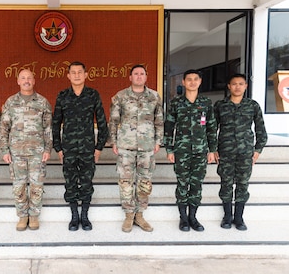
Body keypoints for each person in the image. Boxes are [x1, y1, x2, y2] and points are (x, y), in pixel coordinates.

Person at [52, 61, 109, 231]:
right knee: (70, 182)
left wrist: (99, 147)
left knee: (86, 182)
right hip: (68, 148)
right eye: (73, 72)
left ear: (85, 75)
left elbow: (102, 122)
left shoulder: (92, 95)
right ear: (68, 76)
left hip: (87, 148)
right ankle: (74, 216)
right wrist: (58, 148)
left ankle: (84, 215)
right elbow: (55, 124)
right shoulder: (63, 96)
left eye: (80, 72)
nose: (76, 75)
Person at [108, 64, 164, 233]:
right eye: (136, 74)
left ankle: (140, 215)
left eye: (142, 74)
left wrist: (158, 141)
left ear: (146, 77)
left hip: (147, 146)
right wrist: (114, 142)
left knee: (144, 182)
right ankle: (129, 215)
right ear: (130, 77)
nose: (139, 76)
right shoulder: (121, 96)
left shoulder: (154, 96)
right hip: (126, 146)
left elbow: (159, 121)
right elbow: (113, 121)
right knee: (126, 182)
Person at [163, 69, 217, 232]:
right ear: (183, 82)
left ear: (200, 82)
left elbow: (211, 127)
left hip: (201, 151)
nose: (192, 82)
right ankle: (183, 218)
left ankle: (193, 217)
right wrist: (169, 149)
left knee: (196, 184)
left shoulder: (206, 103)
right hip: (182, 150)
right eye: (189, 79)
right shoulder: (176, 103)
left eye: (195, 79)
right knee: (182, 184)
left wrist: (212, 150)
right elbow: (169, 127)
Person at [0, 69, 52, 231]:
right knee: (19, 185)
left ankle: (34, 215)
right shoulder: (10, 102)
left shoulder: (42, 102)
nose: (26, 80)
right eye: (23, 78)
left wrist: (48, 149)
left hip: (37, 151)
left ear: (34, 81)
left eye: (29, 78)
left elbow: (48, 128)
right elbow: (4, 128)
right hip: (16, 152)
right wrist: (5, 150)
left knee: (37, 184)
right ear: (18, 81)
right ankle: (23, 216)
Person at [214, 73, 267, 231]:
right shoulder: (220, 105)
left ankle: (239, 217)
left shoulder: (253, 105)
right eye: (234, 84)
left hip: (245, 152)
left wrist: (257, 150)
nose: (237, 87)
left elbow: (261, 130)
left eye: (241, 84)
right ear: (229, 86)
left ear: (246, 86)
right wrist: (214, 149)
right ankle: (227, 216)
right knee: (226, 184)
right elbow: (211, 129)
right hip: (225, 152)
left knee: (243, 185)